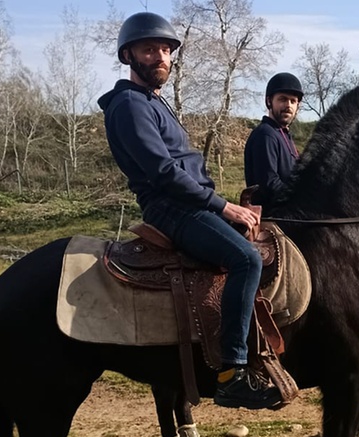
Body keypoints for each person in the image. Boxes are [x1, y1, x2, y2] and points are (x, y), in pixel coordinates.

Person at [97, 12, 281, 410]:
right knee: (246, 259)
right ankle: (232, 374)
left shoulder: (152, 102)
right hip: (171, 209)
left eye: (166, 50)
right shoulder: (129, 105)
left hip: (190, 203)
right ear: (128, 56)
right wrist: (224, 206)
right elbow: (164, 173)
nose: (161, 57)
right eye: (150, 49)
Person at [243, 72, 304, 205]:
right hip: (272, 212)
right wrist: (302, 202)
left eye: (293, 101)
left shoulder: (284, 135)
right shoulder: (266, 135)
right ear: (269, 101)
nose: (288, 105)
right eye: (282, 99)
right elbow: (269, 184)